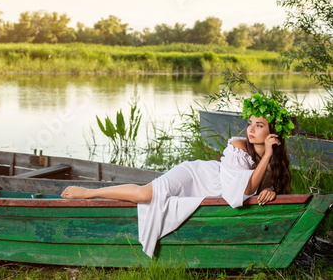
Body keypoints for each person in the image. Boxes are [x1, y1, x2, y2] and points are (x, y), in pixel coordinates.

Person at [61, 93, 294, 257]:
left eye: (259, 125)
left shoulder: (275, 163)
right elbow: (243, 190)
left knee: (151, 197)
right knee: (145, 194)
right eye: (250, 123)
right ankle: (90, 192)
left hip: (210, 188)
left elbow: (265, 185)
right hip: (196, 175)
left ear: (273, 133)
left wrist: (271, 189)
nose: (251, 130)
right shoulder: (238, 146)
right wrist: (265, 158)